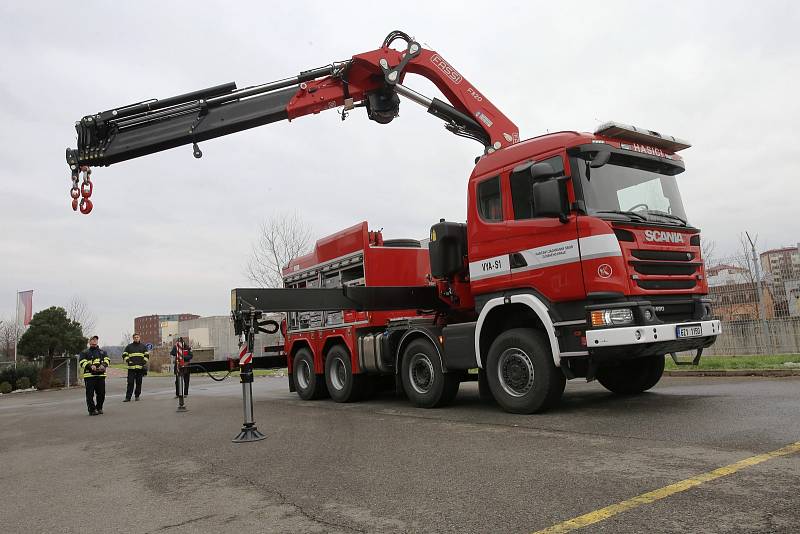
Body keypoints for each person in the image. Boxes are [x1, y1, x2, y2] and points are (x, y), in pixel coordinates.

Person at [79, 336, 110, 416]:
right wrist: (90, 366)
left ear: (97, 341)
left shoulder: (103, 352)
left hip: (100, 375)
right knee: (90, 394)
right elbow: (82, 362)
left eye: (95, 340)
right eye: (92, 340)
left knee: (101, 393)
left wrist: (103, 365)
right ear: (89, 342)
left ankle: (99, 408)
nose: (94, 341)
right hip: (89, 376)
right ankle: (92, 410)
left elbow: (107, 360)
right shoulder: (84, 352)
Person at [122, 333, 150, 402]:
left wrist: (143, 362)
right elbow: (124, 354)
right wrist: (128, 360)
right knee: (130, 383)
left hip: (140, 369)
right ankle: (128, 398)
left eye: (137, 337)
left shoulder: (143, 347)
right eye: (135, 337)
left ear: (139, 338)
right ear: (133, 338)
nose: (136, 338)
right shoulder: (129, 347)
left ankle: (137, 396)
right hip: (131, 368)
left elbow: (147, 356)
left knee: (139, 383)